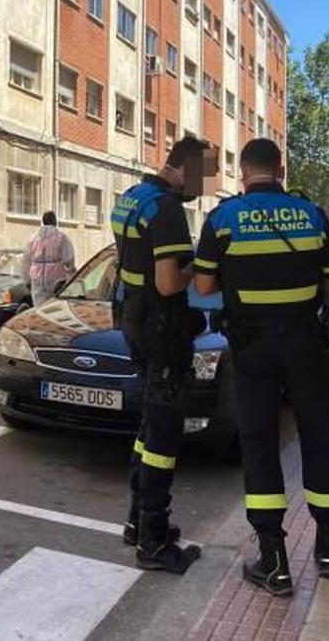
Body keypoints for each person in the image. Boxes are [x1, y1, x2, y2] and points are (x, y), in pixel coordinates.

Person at [193, 139, 329, 596]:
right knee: (319, 437)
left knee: (259, 442)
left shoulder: (222, 219)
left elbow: (203, 285)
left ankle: (274, 561)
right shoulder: (311, 215)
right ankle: (328, 550)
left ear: (243, 172)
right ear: (280, 169)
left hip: (252, 346)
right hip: (304, 343)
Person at [112, 135, 207, 573]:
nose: (202, 187)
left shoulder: (133, 197)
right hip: (162, 328)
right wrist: (206, 263)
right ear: (184, 167)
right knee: (163, 435)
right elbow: (170, 282)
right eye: (202, 176)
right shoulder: (168, 210)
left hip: (134, 321)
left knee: (149, 424)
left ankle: (137, 521)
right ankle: (152, 538)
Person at [22, 211, 75, 306]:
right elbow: (69, 258)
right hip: (55, 278)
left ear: (43, 221)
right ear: (55, 221)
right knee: (54, 307)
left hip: (37, 278)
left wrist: (27, 280)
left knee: (39, 308)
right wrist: (72, 273)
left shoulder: (33, 238)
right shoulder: (61, 237)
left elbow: (26, 261)